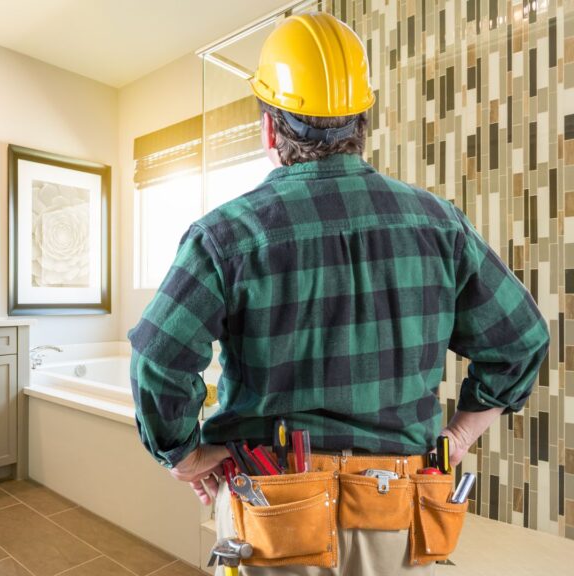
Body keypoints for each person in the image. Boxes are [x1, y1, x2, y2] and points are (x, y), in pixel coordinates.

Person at [128, 12, 549, 576]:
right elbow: (522, 340)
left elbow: (158, 358)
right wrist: (461, 432)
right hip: (397, 514)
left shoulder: (225, 236)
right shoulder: (439, 225)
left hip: (273, 514)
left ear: (271, 129)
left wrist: (183, 453)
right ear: (362, 124)